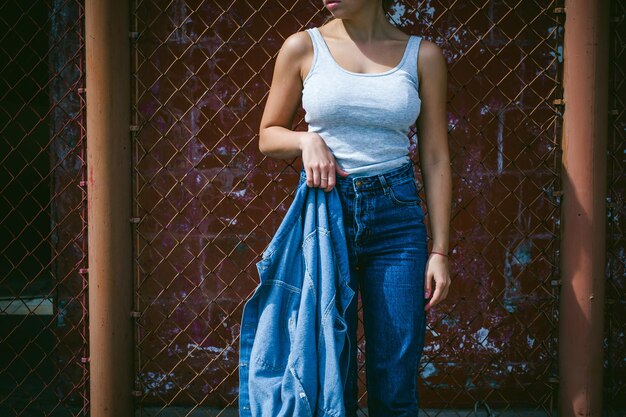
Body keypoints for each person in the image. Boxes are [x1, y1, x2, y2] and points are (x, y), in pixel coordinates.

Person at [257, 0, 452, 415]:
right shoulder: (302, 47)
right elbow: (268, 135)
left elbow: (435, 156)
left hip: (396, 221)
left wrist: (440, 251)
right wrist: (306, 140)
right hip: (325, 215)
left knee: (395, 379)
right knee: (329, 373)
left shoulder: (423, 55)